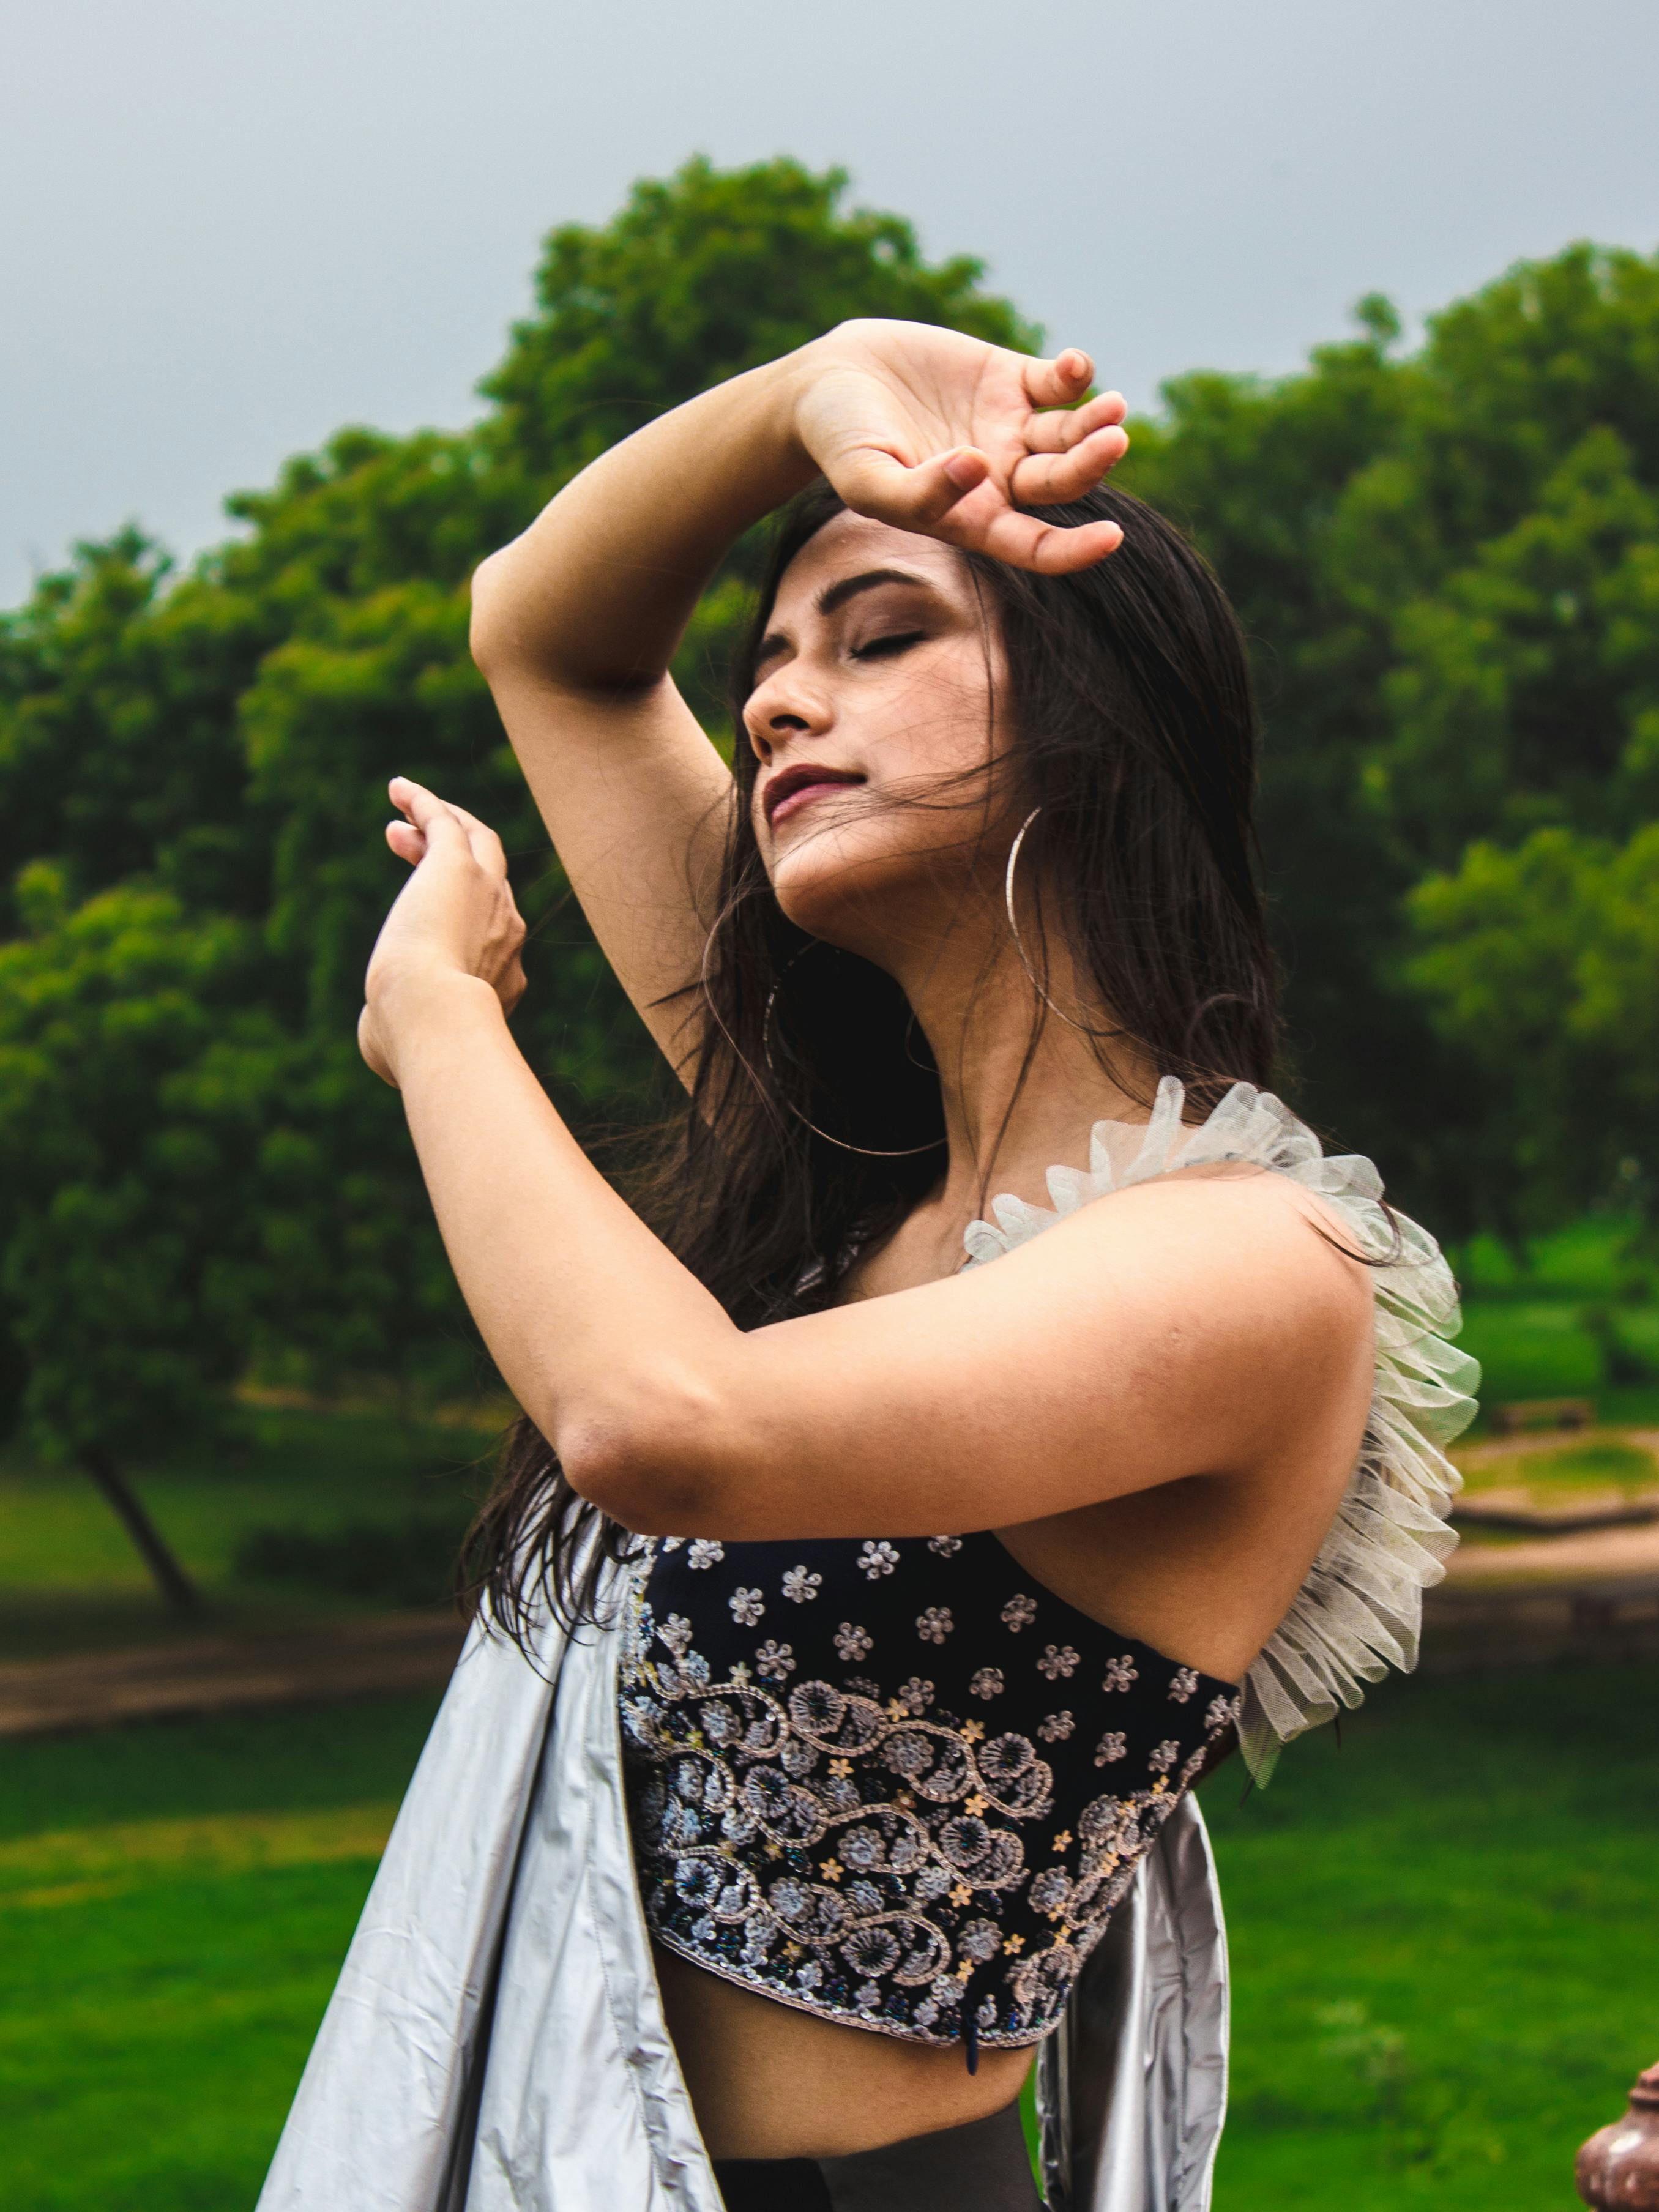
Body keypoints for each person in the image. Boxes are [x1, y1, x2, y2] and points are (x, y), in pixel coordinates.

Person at [258, 321, 1477, 2212]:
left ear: (1097, 727)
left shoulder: (1252, 1272)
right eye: (770, 665)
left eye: (883, 638)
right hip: (571, 2150)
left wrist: (438, 1022)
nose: (774, 708)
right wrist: (814, 387)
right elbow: (546, 631)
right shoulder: (843, 1183)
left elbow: (661, 1421)